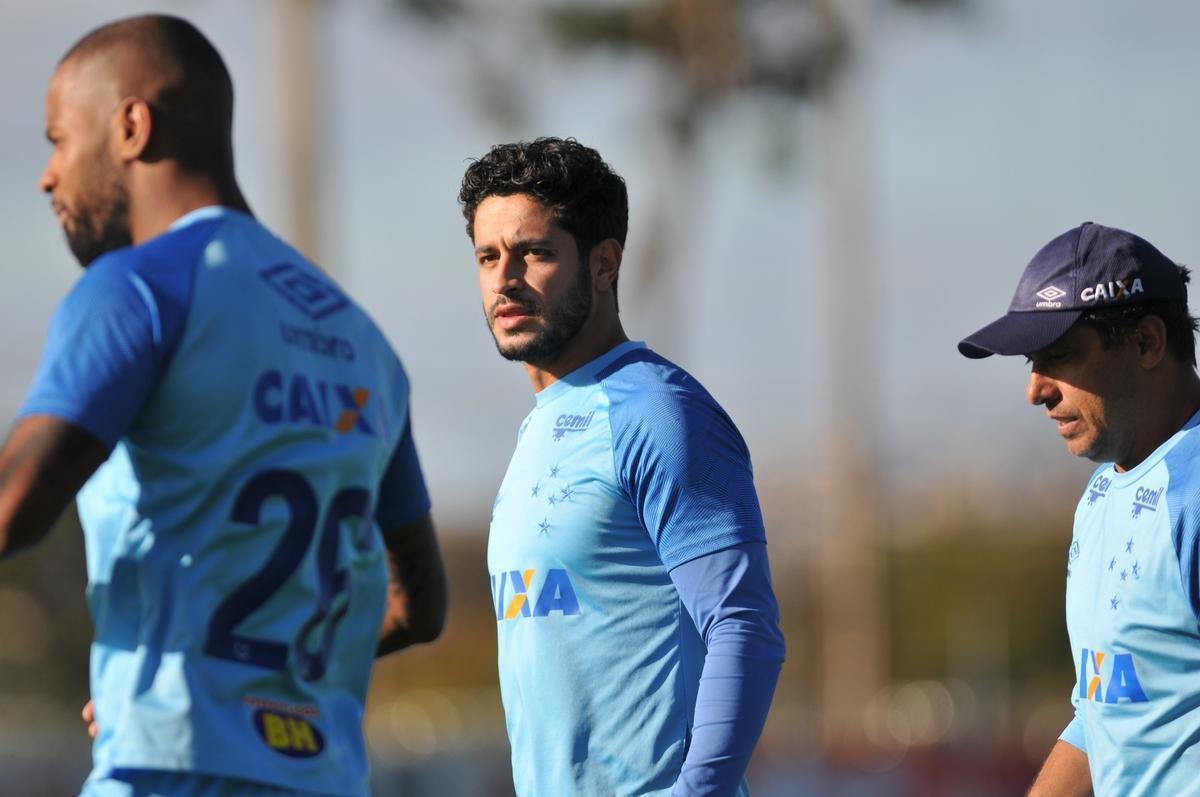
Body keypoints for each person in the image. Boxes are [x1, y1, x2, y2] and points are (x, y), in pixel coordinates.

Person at [0, 14, 447, 797]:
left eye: (57, 141)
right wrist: (263, 676)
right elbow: (420, 605)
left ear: (131, 127)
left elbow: (14, 506)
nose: (47, 175)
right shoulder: (363, 341)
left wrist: (182, 678)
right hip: (323, 778)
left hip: (166, 768)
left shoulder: (141, 288)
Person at [458, 137, 786, 796]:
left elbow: (743, 624)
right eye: (489, 256)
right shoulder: (541, 426)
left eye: (535, 252)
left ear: (604, 263)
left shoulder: (657, 411)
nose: (506, 278)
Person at [959, 222, 1200, 797]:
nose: (1036, 390)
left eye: (1060, 357)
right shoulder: (1100, 496)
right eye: (1031, 364)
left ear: (1146, 343)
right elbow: (1103, 718)